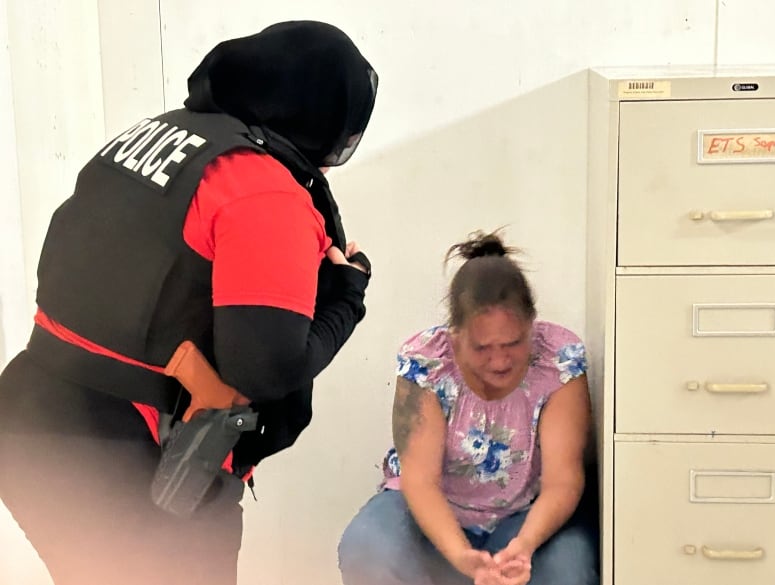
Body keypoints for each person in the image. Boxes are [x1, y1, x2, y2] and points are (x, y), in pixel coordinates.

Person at [0, 20, 377, 585]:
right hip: (131, 467)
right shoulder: (264, 187)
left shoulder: (154, 135)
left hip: (30, 419)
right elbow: (268, 369)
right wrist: (347, 298)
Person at [338, 230, 599, 585]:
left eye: (513, 343)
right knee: (366, 547)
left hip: (526, 513)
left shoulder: (559, 360)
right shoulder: (426, 363)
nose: (499, 360)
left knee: (568, 569)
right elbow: (420, 482)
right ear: (455, 335)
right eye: (482, 348)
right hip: (430, 510)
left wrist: (524, 546)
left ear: (531, 326)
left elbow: (562, 481)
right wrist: (462, 556)